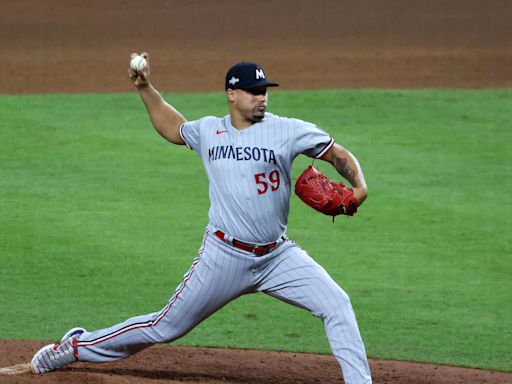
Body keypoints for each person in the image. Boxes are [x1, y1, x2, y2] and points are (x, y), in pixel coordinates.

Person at [31, 53, 372, 384]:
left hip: (277, 256)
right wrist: (145, 88)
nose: (262, 97)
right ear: (231, 94)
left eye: (265, 90)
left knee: (337, 304)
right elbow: (174, 127)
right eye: (254, 91)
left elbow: (336, 153)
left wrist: (359, 186)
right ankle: (77, 346)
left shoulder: (287, 130)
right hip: (224, 256)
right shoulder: (210, 131)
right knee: (165, 327)